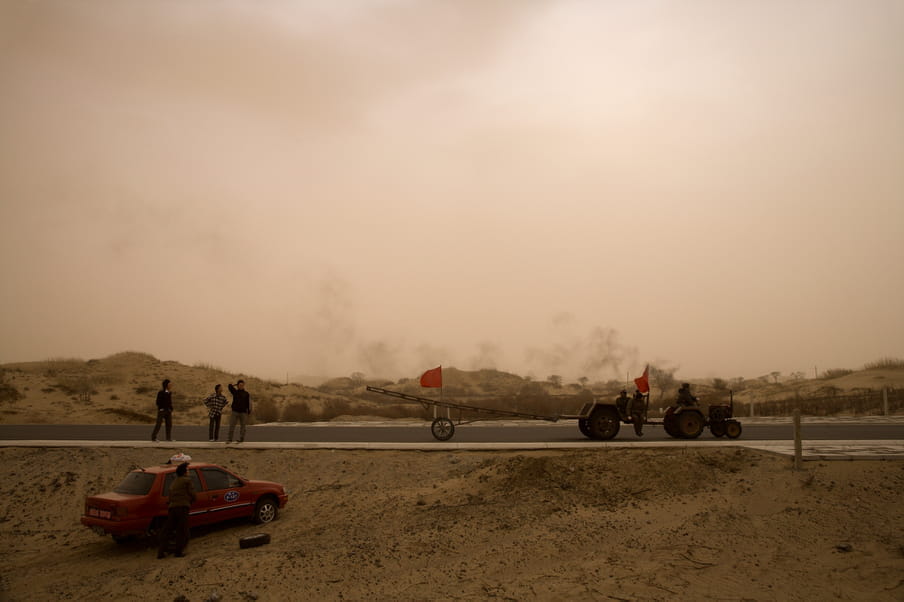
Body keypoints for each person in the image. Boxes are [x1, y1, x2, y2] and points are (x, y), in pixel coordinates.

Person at [157, 461, 196, 558]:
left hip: (172, 508)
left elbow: (170, 497)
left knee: (168, 530)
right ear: (184, 472)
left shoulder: (174, 482)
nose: (189, 472)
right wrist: (192, 501)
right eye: (187, 470)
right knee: (182, 531)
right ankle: (178, 552)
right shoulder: (187, 481)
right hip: (182, 508)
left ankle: (161, 552)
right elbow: (193, 494)